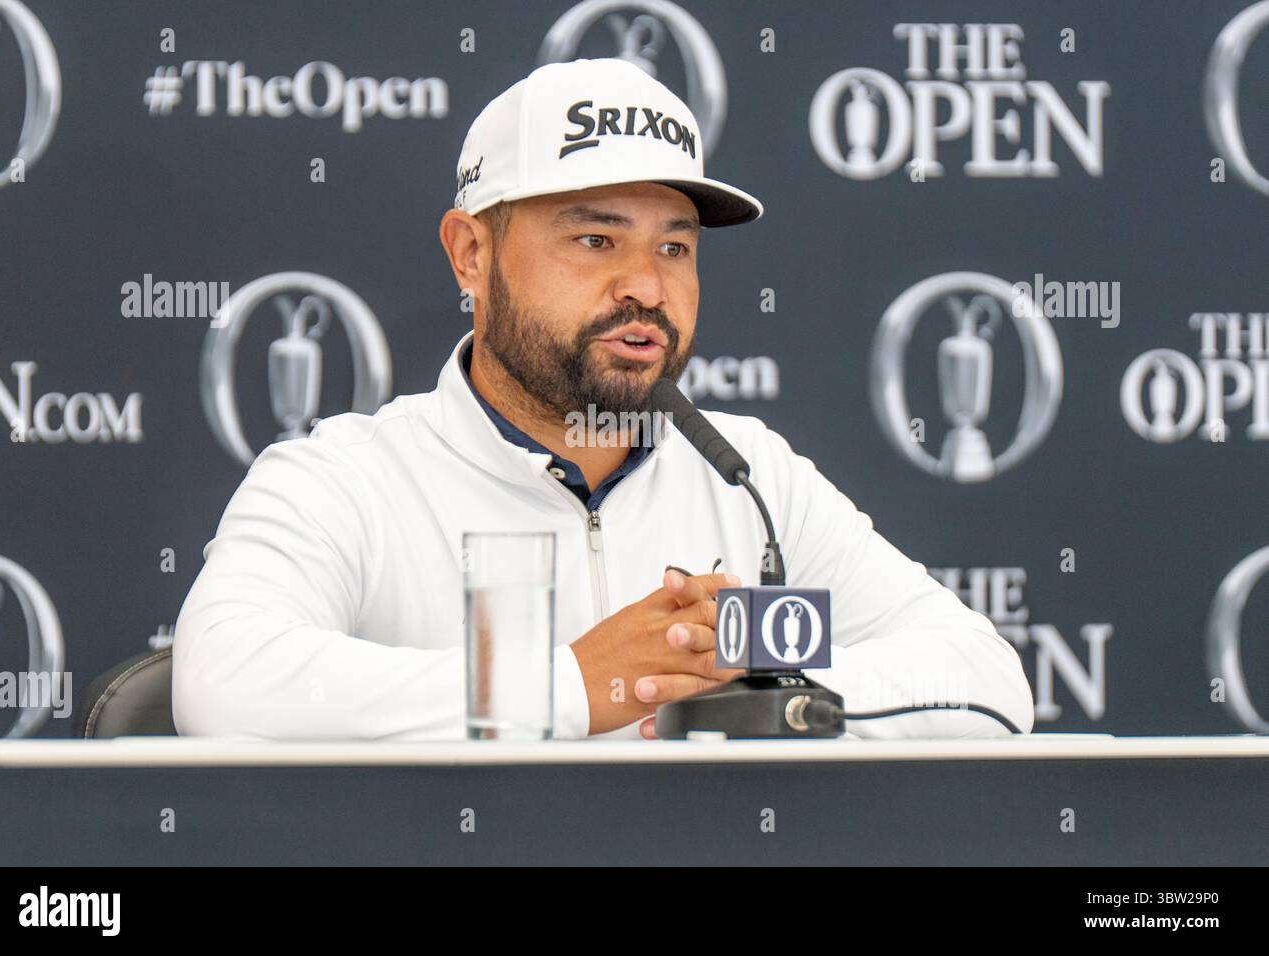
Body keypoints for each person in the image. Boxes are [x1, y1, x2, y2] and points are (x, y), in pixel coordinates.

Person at [172, 58, 1035, 740]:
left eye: (674, 248)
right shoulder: (344, 477)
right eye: (594, 239)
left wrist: (753, 683)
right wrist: (577, 684)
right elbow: (221, 682)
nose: (646, 288)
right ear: (471, 255)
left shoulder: (750, 476)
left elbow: (989, 683)